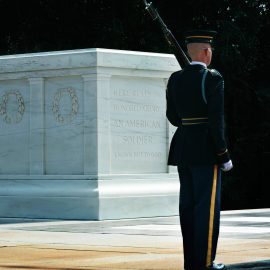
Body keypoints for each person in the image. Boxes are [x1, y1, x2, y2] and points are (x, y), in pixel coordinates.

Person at [166, 30, 233, 270]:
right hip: (206, 150)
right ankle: (205, 263)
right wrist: (223, 154)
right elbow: (216, 122)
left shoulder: (175, 78)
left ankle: (191, 263)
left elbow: (173, 117)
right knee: (206, 208)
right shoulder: (213, 78)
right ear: (206, 51)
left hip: (183, 148)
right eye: (211, 49)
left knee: (188, 206)